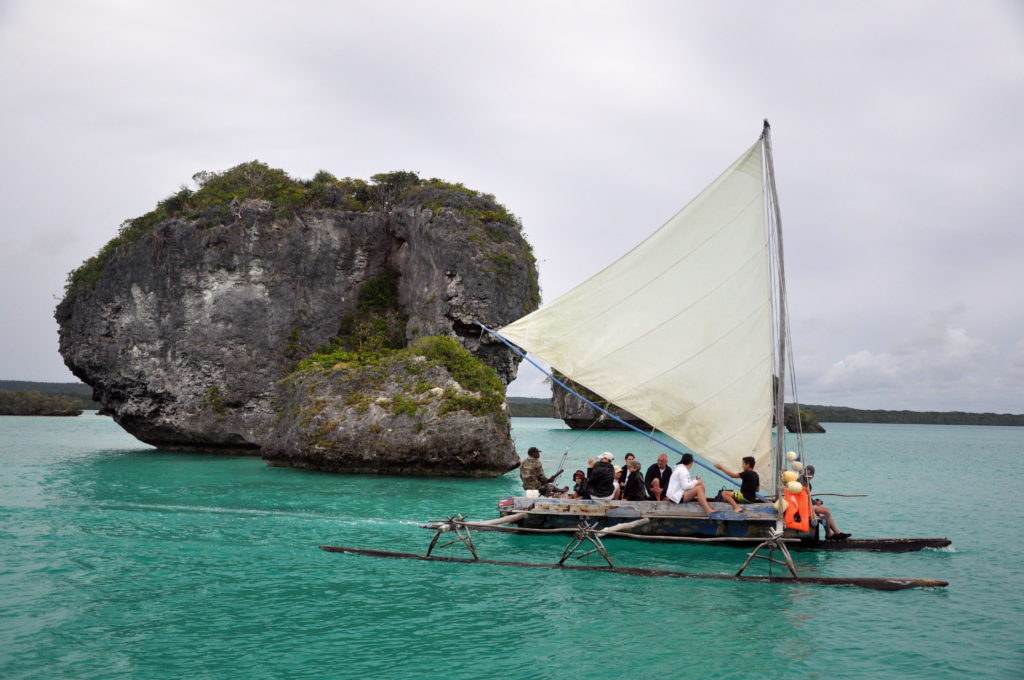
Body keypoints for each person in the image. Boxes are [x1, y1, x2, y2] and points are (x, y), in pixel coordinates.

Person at [802, 465, 851, 540]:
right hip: (802, 506)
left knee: (824, 517)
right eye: (807, 476)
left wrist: (815, 502)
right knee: (826, 511)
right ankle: (829, 534)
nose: (809, 478)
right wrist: (814, 503)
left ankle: (837, 533)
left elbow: (807, 497)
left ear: (813, 476)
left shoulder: (808, 484)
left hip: (807, 505)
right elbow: (802, 497)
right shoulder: (801, 482)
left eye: (810, 476)